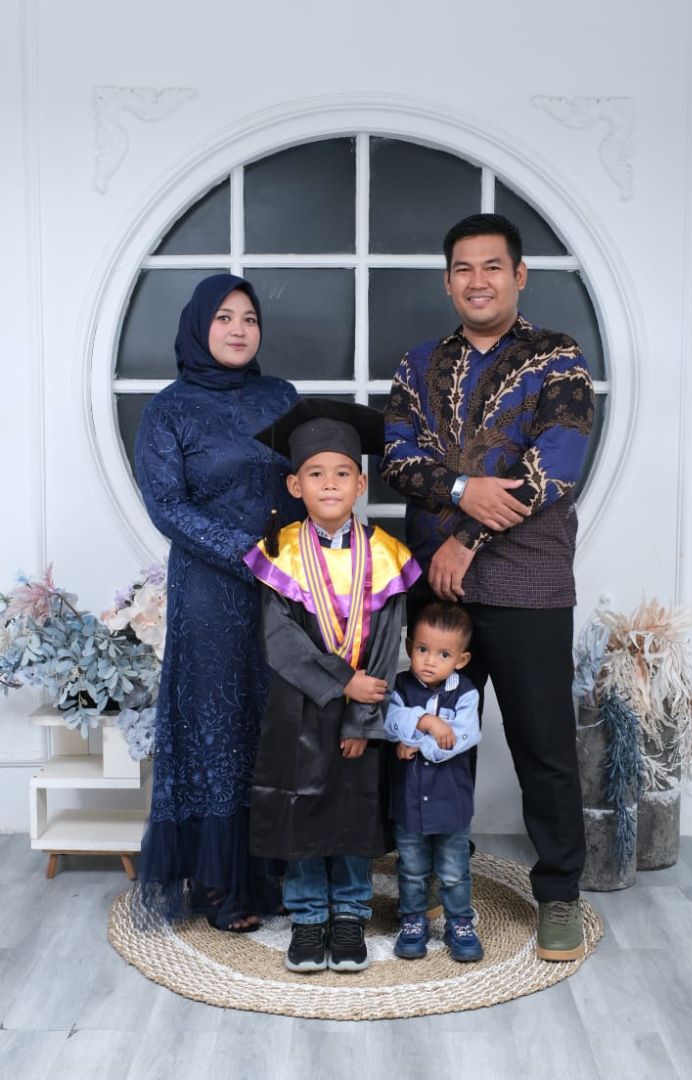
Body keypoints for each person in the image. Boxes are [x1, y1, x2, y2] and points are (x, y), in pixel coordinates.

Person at [381, 213, 595, 962]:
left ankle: (559, 893)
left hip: (528, 583)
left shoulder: (558, 359)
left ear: (519, 275)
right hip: (439, 594)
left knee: (544, 745)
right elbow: (396, 459)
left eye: (493, 267)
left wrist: (467, 534)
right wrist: (461, 487)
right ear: (448, 282)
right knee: (432, 735)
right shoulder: (417, 365)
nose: (478, 281)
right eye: (464, 269)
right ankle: (439, 872)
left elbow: (554, 467)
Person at [135, 273, 301, 932]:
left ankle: (268, 873)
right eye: (225, 317)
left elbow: (307, 477)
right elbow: (166, 506)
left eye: (249, 318)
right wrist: (246, 552)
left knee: (274, 722)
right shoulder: (168, 409)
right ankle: (218, 883)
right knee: (218, 727)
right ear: (199, 326)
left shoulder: (280, 396)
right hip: (210, 590)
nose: (238, 329)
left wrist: (309, 555)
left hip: (286, 585)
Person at [243, 398, 421, 973]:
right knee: (301, 810)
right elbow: (279, 640)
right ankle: (307, 917)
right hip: (297, 707)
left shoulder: (387, 555)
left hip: (359, 713)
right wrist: (344, 683)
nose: (329, 484)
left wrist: (362, 718)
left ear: (360, 483)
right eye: (315, 473)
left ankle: (349, 915)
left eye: (342, 473)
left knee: (352, 812)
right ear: (294, 485)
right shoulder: (279, 554)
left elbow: (388, 644)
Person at [384, 601, 483, 962]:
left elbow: (460, 738)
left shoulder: (467, 693)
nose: (429, 661)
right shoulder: (400, 687)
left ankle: (460, 923)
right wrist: (426, 722)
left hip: (451, 802)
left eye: (443, 654)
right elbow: (389, 723)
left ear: (461, 659)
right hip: (409, 801)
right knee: (411, 867)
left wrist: (419, 744)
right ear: (410, 646)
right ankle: (413, 920)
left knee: (454, 871)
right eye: (423, 649)